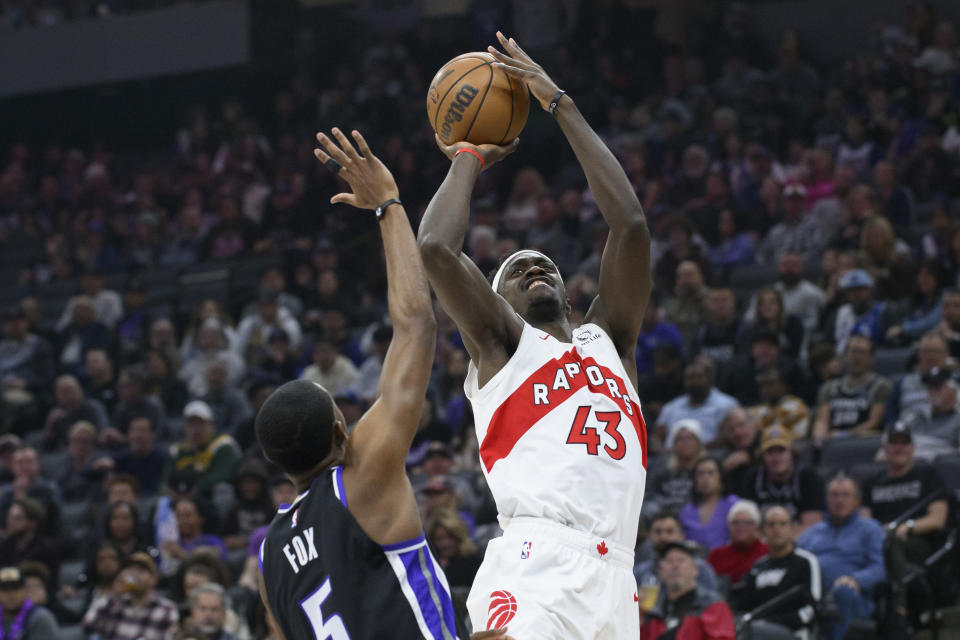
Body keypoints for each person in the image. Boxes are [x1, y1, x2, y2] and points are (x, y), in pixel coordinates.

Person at [418, 32, 650, 638]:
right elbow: (436, 249)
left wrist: (560, 105)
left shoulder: (610, 342)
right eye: (513, 272)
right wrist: (467, 154)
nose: (531, 267)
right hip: (537, 563)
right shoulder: (503, 346)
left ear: (569, 295)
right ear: (498, 305)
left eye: (541, 263)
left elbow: (629, 225)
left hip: (618, 579)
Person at [255, 128, 504, 640]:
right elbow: (416, 324)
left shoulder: (269, 556)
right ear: (341, 432)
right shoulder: (362, 477)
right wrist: (388, 204)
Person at [861, 420, 950, 633]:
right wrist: (878, 531)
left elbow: (938, 519)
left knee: (893, 543)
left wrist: (907, 527)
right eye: (894, 443)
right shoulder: (873, 482)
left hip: (919, 543)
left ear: (913, 447)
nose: (899, 448)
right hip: (880, 542)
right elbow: (864, 521)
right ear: (885, 449)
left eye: (904, 443)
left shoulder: (927, 474)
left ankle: (899, 610)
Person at [797, 475, 884, 640]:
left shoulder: (871, 529)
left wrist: (855, 580)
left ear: (857, 501)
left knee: (843, 592)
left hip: (854, 597)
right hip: (815, 596)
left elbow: (879, 568)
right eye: (834, 495)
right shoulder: (810, 533)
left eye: (845, 495)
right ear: (826, 500)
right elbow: (797, 564)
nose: (839, 500)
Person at [731, 505, 821, 640]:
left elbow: (814, 608)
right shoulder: (758, 566)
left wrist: (769, 623)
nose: (776, 529)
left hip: (794, 633)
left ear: (792, 529)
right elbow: (746, 603)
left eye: (783, 524)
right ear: (762, 532)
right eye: (771, 525)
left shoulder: (806, 561)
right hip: (756, 629)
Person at [639, 540, 735, 639]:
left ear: (695, 569)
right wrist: (638, 614)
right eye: (669, 561)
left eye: (681, 560)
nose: (675, 566)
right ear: (660, 571)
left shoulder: (712, 605)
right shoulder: (652, 609)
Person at [741, 426, 824, 532]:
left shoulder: (808, 477)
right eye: (770, 451)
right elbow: (747, 526)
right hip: (763, 544)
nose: (776, 457)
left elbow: (812, 527)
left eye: (781, 450)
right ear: (762, 457)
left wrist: (780, 541)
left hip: (800, 543)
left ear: (792, 453)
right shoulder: (753, 478)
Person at [83, 551, 179, 640]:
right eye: (130, 569)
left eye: (140, 570)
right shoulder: (115, 602)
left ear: (154, 579)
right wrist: (115, 594)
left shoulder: (166, 609)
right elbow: (88, 626)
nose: (134, 574)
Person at [812, 333, 891, 442]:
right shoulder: (829, 387)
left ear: (871, 358)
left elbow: (874, 423)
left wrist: (845, 435)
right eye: (853, 351)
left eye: (862, 352)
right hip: (832, 443)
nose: (856, 357)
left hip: (862, 443)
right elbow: (822, 421)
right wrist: (819, 438)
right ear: (845, 355)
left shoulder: (881, 386)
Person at [163, 401, 241, 496]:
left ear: (212, 425)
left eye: (201, 423)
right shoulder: (177, 451)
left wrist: (195, 487)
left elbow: (223, 475)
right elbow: (165, 480)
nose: (196, 429)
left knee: (223, 489)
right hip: (179, 498)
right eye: (191, 424)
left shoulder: (223, 445)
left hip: (208, 496)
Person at [656, 361, 737, 445]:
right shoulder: (672, 407)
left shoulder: (727, 405)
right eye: (690, 378)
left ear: (709, 379)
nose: (694, 381)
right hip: (670, 456)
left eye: (699, 377)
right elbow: (657, 435)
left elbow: (731, 435)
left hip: (713, 454)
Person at [679, 457, 739, 550]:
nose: (705, 478)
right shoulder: (687, 511)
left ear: (720, 477)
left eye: (711, 473)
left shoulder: (733, 504)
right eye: (700, 474)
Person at [706, 500, 768, 586]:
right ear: (728, 526)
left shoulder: (767, 552)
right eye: (735, 523)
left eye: (747, 523)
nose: (740, 527)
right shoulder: (716, 555)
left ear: (757, 527)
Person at [0, 566, 59, 640]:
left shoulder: (40, 617)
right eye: (5, 590)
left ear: (25, 590)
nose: (11, 595)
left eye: (16, 589)